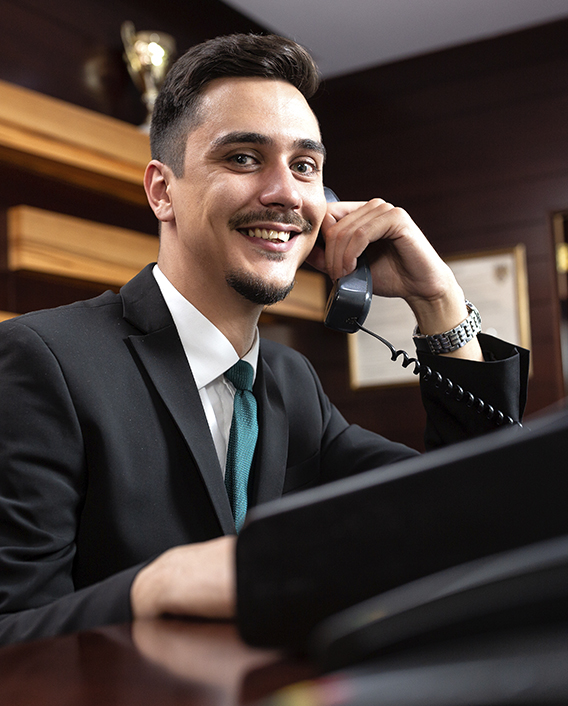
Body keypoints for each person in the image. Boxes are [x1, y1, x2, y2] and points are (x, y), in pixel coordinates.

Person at [0, 34, 528, 646]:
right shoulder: (42, 361)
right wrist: (154, 588)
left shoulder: (292, 381)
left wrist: (438, 303)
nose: (284, 194)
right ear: (162, 191)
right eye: (245, 158)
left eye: (304, 167)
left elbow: (473, 511)